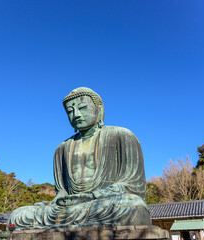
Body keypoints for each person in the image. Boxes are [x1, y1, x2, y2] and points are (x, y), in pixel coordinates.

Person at [8, 87, 151, 229]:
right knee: (18, 215)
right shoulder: (62, 148)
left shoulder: (122, 135)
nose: (76, 115)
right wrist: (62, 198)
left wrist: (93, 196)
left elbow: (133, 185)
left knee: (133, 206)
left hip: (105, 202)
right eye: (70, 111)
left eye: (82, 108)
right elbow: (62, 191)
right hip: (72, 207)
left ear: (99, 109)